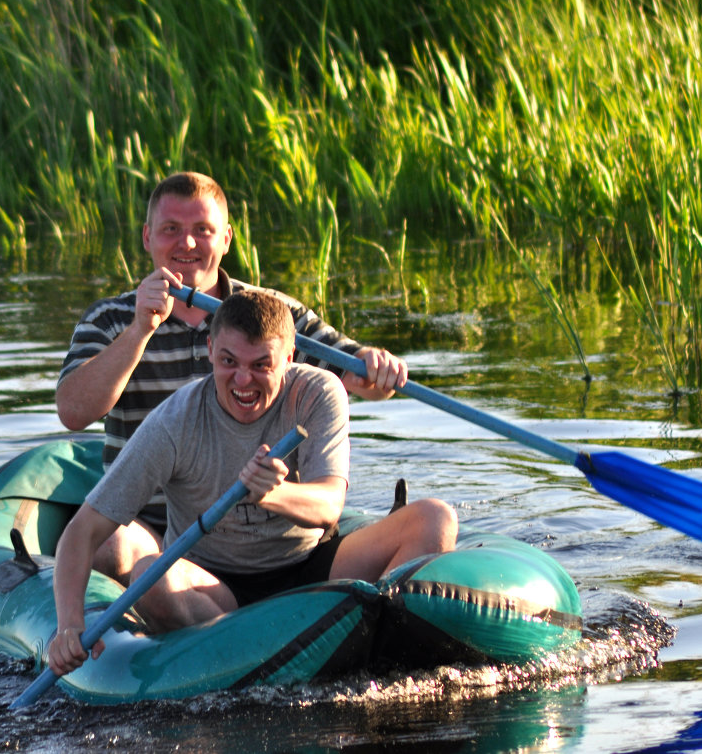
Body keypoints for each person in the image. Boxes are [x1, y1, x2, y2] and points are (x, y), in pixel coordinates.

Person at [47, 290, 457, 677]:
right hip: (215, 583)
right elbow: (81, 532)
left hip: (311, 566)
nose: (243, 380)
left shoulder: (319, 391)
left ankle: (383, 651)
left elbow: (330, 504)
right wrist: (68, 626)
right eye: (228, 362)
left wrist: (276, 494)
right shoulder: (174, 421)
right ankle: (261, 650)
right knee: (148, 576)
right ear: (210, 352)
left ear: (290, 357)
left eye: (261, 365)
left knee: (435, 520)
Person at [56, 171, 407, 582]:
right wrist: (140, 330)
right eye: (172, 229)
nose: (186, 243)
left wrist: (374, 364)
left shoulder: (271, 312)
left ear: (226, 239)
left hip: (274, 524)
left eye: (202, 230)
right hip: (153, 526)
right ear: (148, 237)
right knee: (115, 549)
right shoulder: (110, 319)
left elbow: (358, 377)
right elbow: (73, 412)